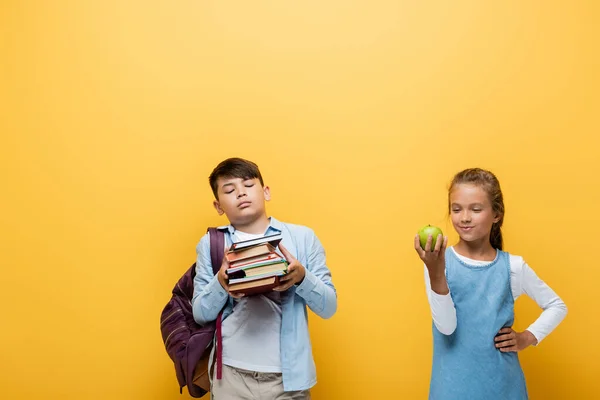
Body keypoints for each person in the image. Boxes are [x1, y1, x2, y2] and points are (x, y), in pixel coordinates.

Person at [414, 168, 567, 400]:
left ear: (496, 214)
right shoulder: (439, 261)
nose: (465, 217)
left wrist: (527, 337)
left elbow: (557, 305)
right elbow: (446, 328)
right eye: (456, 209)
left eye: (476, 209)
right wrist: (435, 273)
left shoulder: (513, 267)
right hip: (451, 390)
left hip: (504, 389)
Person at [192, 157, 337, 399]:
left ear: (265, 192)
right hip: (230, 375)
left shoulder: (302, 238)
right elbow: (200, 313)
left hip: (289, 378)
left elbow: (329, 307)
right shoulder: (211, 244)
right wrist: (221, 283)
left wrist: (301, 278)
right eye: (230, 190)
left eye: (248, 185)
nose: (241, 193)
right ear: (219, 206)